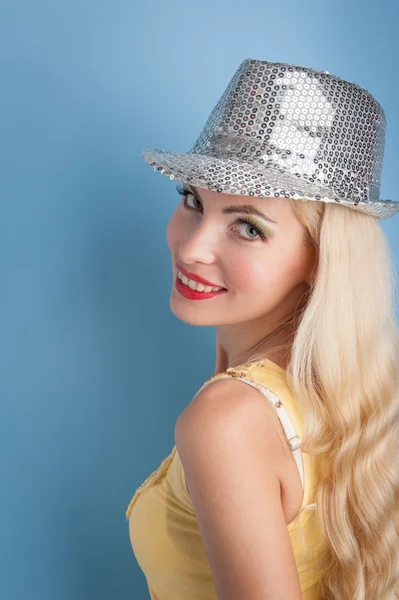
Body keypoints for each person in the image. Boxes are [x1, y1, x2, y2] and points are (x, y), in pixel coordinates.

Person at [126, 59, 399, 600]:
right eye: (192, 201)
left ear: (320, 259)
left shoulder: (224, 423)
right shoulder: (364, 398)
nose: (192, 247)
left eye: (247, 227)